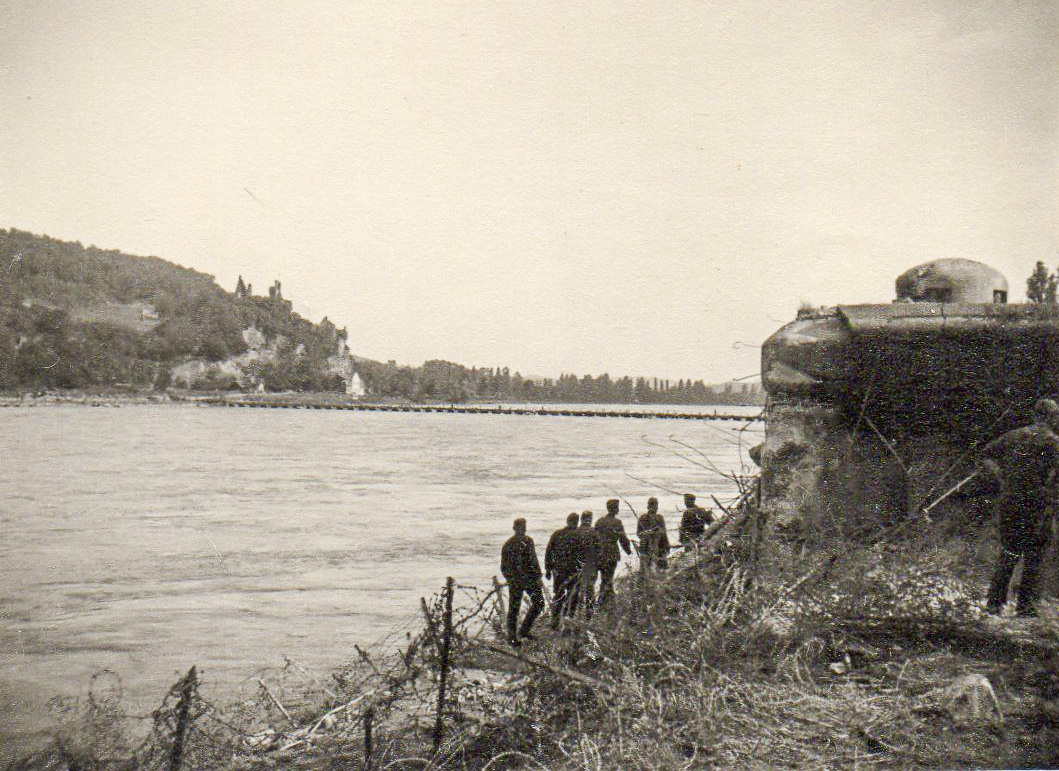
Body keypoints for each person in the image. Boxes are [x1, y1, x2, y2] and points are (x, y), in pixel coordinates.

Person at [979, 398, 1059, 617]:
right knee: (1036, 555)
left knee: (1009, 551)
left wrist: (1001, 477)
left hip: (1010, 502)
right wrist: (1050, 493)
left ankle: (994, 605)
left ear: (1034, 415)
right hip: (1037, 505)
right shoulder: (1053, 442)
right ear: (1053, 418)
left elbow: (986, 455)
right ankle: (1026, 608)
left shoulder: (1013, 436)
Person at [500, 518, 545, 646]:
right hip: (529, 580)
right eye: (522, 526)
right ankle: (523, 631)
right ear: (516, 528)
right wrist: (537, 576)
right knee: (539, 603)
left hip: (515, 581)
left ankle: (513, 638)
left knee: (514, 609)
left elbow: (503, 567)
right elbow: (533, 561)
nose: (523, 529)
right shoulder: (527, 541)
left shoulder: (508, 544)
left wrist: (510, 578)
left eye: (524, 526)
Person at [545, 512, 581, 626]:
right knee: (573, 595)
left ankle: (556, 620)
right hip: (572, 571)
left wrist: (548, 569)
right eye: (575, 522)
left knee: (559, 595)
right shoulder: (578, 535)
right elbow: (583, 554)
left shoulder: (557, 534)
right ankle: (567, 619)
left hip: (560, 571)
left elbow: (549, 552)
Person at [594, 499, 632, 605]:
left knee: (604, 578)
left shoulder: (599, 521)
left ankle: (606, 600)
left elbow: (593, 538)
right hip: (611, 555)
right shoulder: (617, 522)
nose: (618, 509)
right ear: (614, 509)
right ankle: (604, 601)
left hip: (599, 555)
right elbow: (623, 538)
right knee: (608, 578)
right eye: (617, 507)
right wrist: (628, 551)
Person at [571, 510, 600, 617]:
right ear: (590, 519)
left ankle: (575, 613)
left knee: (576, 589)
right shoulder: (593, 532)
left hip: (577, 565)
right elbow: (599, 549)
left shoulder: (575, 532)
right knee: (590, 589)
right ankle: (589, 613)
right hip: (590, 564)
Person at [637, 497, 671, 572]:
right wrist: (650, 532)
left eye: (656, 506)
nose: (656, 508)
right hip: (647, 546)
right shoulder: (643, 518)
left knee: (660, 568)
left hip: (658, 546)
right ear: (650, 506)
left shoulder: (660, 517)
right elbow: (639, 533)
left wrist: (667, 545)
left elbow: (664, 533)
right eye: (655, 506)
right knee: (647, 568)